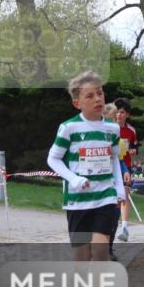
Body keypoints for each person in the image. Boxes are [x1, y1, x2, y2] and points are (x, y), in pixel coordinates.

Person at [46, 71, 126, 261]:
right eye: (90, 96)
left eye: (100, 93)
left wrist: (119, 189)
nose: (98, 99)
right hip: (78, 200)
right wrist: (74, 179)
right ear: (77, 103)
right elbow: (53, 159)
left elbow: (114, 158)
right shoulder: (69, 128)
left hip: (105, 195)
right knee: (81, 257)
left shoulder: (113, 128)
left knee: (100, 251)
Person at [113, 98, 140, 242]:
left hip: (125, 167)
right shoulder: (108, 127)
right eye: (117, 112)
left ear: (127, 114)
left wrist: (133, 151)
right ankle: (111, 225)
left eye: (122, 112)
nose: (118, 115)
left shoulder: (131, 131)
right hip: (109, 167)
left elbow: (135, 146)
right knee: (114, 199)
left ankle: (124, 228)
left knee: (124, 196)